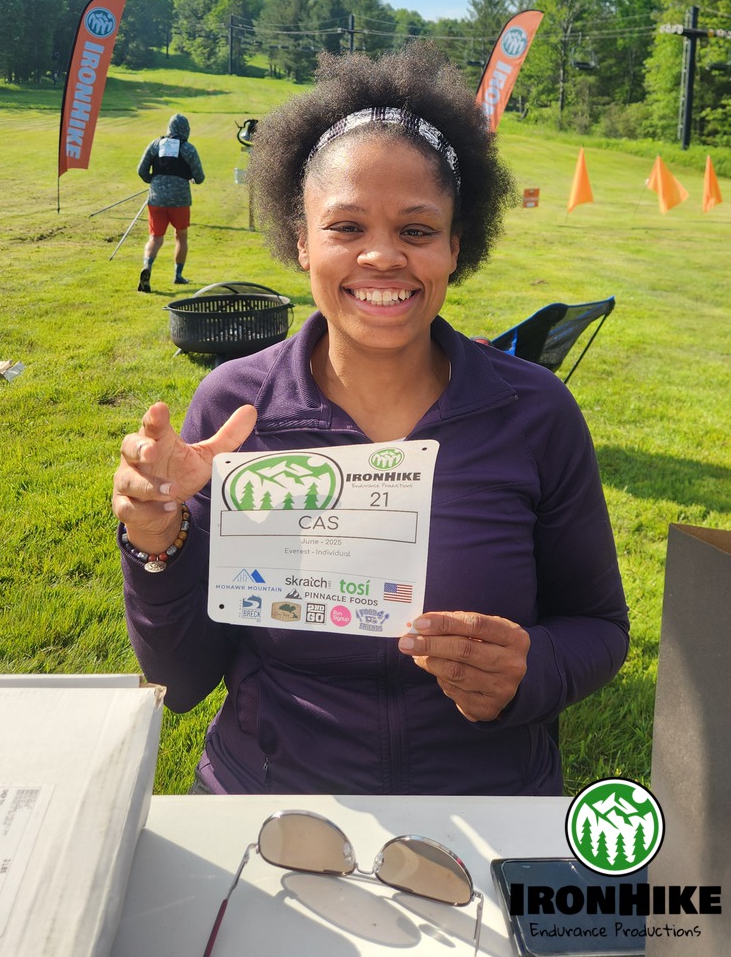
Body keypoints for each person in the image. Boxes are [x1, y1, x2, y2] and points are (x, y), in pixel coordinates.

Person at [113, 45, 629, 796]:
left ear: (457, 246)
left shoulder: (535, 413)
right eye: (346, 227)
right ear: (300, 241)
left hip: (489, 806)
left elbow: (600, 628)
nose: (383, 256)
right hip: (268, 802)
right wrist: (157, 541)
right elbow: (181, 677)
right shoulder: (234, 409)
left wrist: (531, 670)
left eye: (417, 231)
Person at [136, 113, 205, 292]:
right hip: (180, 200)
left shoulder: (155, 144)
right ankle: (178, 275)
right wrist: (192, 179)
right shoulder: (188, 149)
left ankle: (147, 267)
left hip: (156, 198)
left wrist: (153, 180)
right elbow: (200, 176)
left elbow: (141, 170)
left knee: (155, 238)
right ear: (186, 130)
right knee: (181, 235)